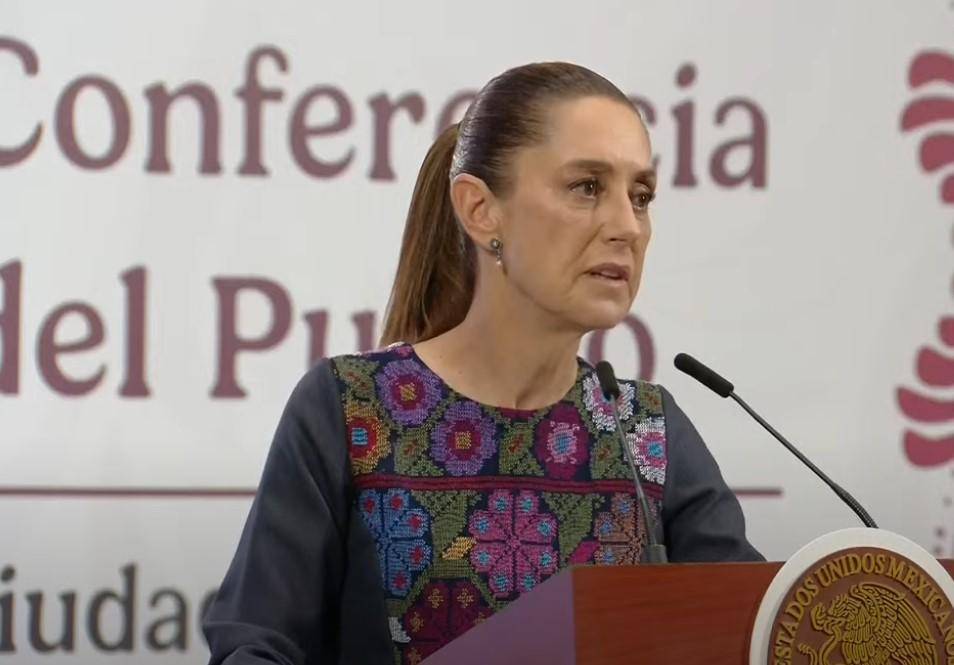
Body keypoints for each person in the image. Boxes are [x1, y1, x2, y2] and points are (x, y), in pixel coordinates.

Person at [203, 61, 762, 665]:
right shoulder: (350, 408)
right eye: (587, 187)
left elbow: (757, 634)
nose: (627, 226)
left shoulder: (646, 432)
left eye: (641, 196)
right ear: (480, 210)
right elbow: (256, 647)